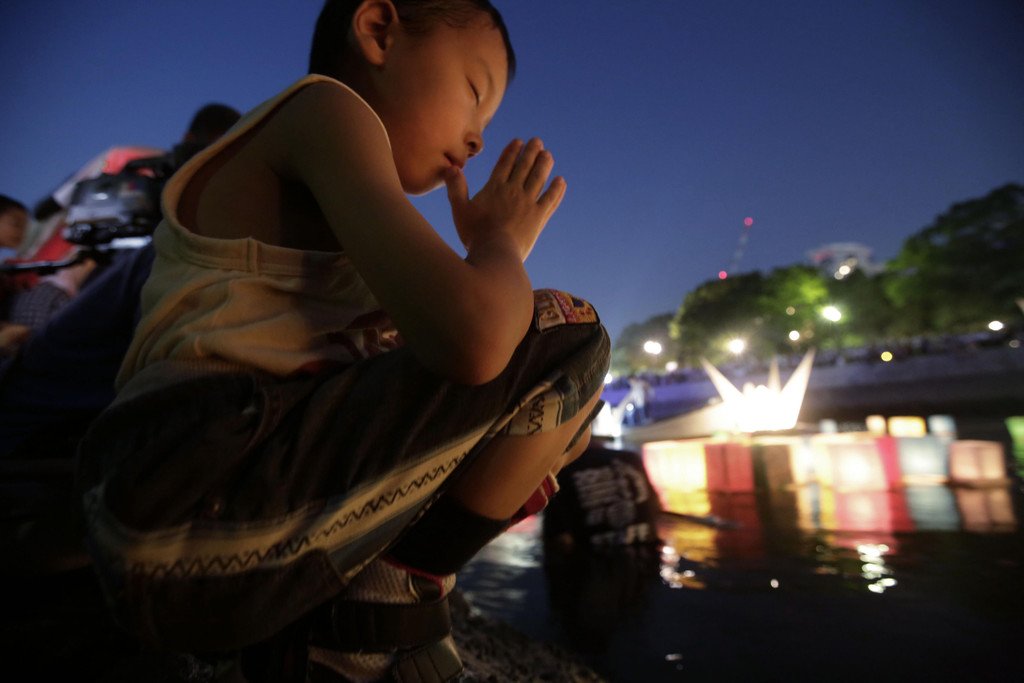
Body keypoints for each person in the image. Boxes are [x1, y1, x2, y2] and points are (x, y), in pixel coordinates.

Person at [76, 1, 609, 681]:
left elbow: (458, 359)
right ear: (379, 31)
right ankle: (379, 609)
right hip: (191, 487)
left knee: (567, 419)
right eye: (475, 92)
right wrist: (498, 244)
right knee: (570, 334)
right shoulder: (325, 111)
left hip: (192, 520)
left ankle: (344, 612)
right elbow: (477, 341)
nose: (478, 138)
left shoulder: (344, 209)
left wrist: (491, 267)